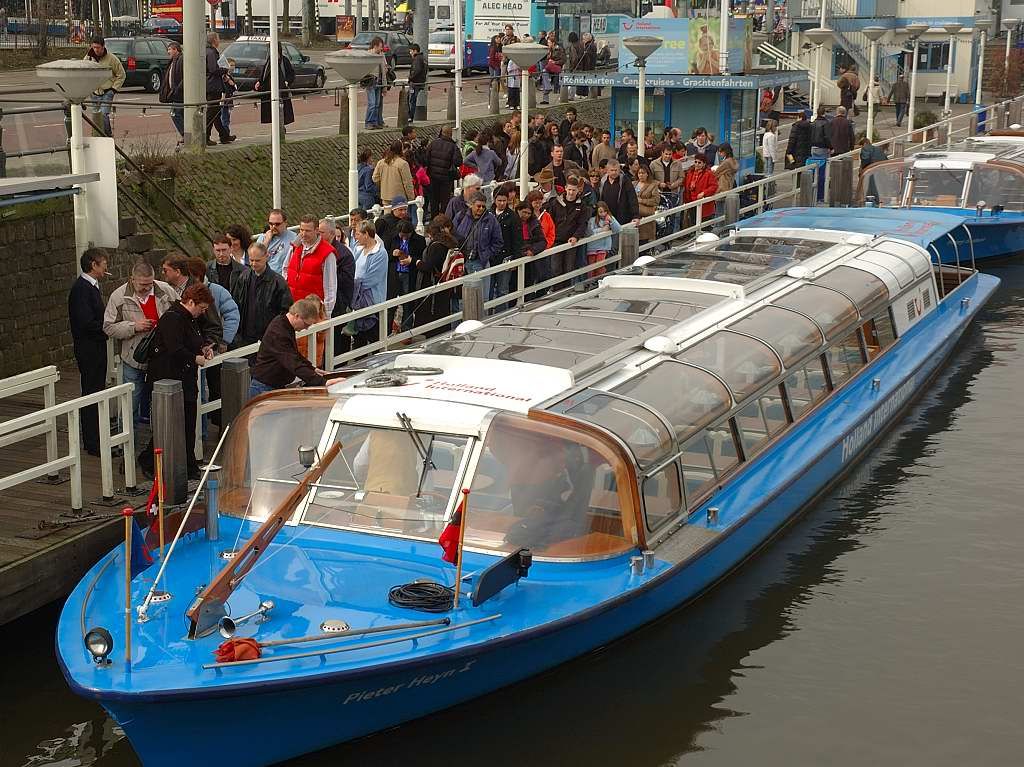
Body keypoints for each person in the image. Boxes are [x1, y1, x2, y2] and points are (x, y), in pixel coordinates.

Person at [139, 283, 215, 480]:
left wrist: (205, 347)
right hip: (169, 377)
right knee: (170, 422)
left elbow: (197, 338)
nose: (202, 312)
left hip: (184, 378)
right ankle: (149, 460)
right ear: (191, 302)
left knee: (188, 422)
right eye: (201, 308)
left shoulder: (190, 318)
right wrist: (195, 358)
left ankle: (189, 466)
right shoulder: (173, 318)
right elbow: (175, 348)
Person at [103, 261, 177, 424]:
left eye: (150, 284)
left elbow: (181, 314)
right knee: (131, 402)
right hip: (133, 356)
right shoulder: (118, 296)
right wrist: (134, 327)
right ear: (132, 279)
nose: (146, 288)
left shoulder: (165, 290)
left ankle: (158, 441)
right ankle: (127, 444)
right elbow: (108, 327)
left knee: (160, 399)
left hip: (162, 356)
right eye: (142, 284)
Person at [68, 248, 109, 456]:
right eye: (104, 264)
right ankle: (92, 442)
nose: (106, 269)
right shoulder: (82, 289)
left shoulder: (90, 287)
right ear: (93, 265)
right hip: (89, 349)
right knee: (91, 391)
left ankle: (97, 438)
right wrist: (106, 327)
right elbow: (85, 322)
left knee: (97, 389)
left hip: (96, 347)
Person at [249, 298, 327, 398]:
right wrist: (323, 382)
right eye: (306, 324)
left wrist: (312, 369)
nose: (306, 328)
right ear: (297, 316)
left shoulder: (283, 324)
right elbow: (293, 362)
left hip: (268, 386)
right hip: (265, 388)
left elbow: (294, 355)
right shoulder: (279, 332)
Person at [230, 242, 293, 349]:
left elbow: (285, 311)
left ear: (266, 256)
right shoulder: (244, 277)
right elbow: (235, 303)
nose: (254, 264)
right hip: (245, 334)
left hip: (267, 334)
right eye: (251, 260)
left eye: (257, 260)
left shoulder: (278, 282)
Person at [454, 191, 505, 300]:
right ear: (471, 205)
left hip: (480, 261)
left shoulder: (491, 220)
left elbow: (498, 242)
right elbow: (453, 235)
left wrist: (487, 254)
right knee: (463, 297)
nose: (481, 209)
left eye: (483, 206)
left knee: (482, 297)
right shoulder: (461, 216)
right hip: (462, 262)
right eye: (478, 206)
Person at [286, 214, 338, 316]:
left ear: (317, 230)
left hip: (313, 310)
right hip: (293, 306)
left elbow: (330, 286)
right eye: (301, 230)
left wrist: (327, 313)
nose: (303, 234)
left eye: (308, 231)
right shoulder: (295, 246)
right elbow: (285, 269)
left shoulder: (327, 253)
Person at [413, 220, 459, 335]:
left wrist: (415, 261)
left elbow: (428, 266)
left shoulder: (436, 246)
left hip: (434, 284)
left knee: (434, 315)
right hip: (445, 284)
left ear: (430, 233)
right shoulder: (449, 243)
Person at [350, 220, 389, 347]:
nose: (355, 237)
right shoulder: (358, 249)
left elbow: (372, 279)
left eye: (357, 234)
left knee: (374, 338)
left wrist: (353, 285)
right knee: (359, 340)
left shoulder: (380, 253)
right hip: (358, 300)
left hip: (372, 300)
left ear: (366, 234)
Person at [544, 176, 590, 281]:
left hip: (571, 242)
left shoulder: (582, 206)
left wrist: (575, 236)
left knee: (569, 268)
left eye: (574, 190)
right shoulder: (556, 203)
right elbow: (550, 222)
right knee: (555, 269)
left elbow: (582, 224)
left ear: (578, 190)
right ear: (565, 188)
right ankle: (556, 292)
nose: (571, 192)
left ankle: (567, 292)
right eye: (569, 189)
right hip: (556, 240)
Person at [387, 220, 426, 331]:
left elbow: (421, 258)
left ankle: (406, 329)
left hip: (409, 274)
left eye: (406, 235)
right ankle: (387, 331)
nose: (404, 238)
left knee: (408, 304)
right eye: (402, 235)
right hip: (395, 274)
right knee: (391, 303)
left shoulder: (419, 240)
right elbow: (386, 256)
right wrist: (393, 254)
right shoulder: (392, 238)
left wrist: (411, 260)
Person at [84, 36, 125, 136]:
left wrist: (113, 89)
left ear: (103, 47)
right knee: (96, 116)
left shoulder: (112, 59)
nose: (96, 50)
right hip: (94, 92)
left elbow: (121, 75)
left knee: (103, 115)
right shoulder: (88, 58)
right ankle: (98, 135)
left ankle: (107, 135)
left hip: (107, 91)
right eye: (94, 47)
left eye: (98, 47)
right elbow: (83, 72)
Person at [254, 42, 295, 135]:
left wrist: (287, 81)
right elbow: (265, 74)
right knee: (271, 110)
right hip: (269, 90)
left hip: (281, 90)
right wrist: (259, 81)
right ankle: (276, 126)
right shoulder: (269, 60)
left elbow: (291, 74)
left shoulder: (284, 61)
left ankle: (280, 127)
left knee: (281, 108)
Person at [491, 186, 523, 302]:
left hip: (506, 257)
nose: (502, 203)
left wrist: (516, 259)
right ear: (494, 200)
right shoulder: (488, 214)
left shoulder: (513, 217)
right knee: (488, 291)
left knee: (503, 290)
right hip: (490, 257)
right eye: (499, 200)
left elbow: (517, 240)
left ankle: (501, 315)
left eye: (504, 200)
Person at [426, 125, 463, 218]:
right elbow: (458, 162)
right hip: (446, 178)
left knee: (433, 201)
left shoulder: (433, 144)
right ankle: (442, 220)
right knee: (445, 201)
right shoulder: (453, 146)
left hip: (433, 177)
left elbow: (426, 159)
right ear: (451, 134)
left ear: (441, 132)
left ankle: (434, 220)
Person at [204, 32, 233, 146]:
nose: (219, 40)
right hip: (213, 86)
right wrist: (225, 70)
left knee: (215, 112)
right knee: (212, 113)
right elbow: (213, 69)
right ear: (214, 40)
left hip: (210, 85)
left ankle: (224, 135)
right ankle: (205, 137)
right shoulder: (211, 53)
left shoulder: (207, 51)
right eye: (218, 38)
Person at [373, 140, 415, 207]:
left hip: (385, 195)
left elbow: (375, 178)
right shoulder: (403, 164)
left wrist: (383, 185)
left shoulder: (381, 162)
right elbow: (407, 183)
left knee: (387, 215)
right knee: (400, 215)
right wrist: (411, 197)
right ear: (401, 149)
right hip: (399, 197)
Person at [258, 208, 299, 276]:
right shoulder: (263, 237)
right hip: (264, 277)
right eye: (271, 224)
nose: (273, 227)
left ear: (285, 223)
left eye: (277, 224)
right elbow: (257, 257)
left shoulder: (294, 238)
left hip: (282, 279)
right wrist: (267, 241)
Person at [598, 159, 639, 226]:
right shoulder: (603, 181)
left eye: (616, 170)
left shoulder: (625, 180)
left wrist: (636, 216)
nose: (614, 172)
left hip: (623, 217)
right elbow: (601, 199)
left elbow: (632, 198)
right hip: (607, 218)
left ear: (619, 170)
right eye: (612, 170)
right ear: (607, 170)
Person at [363, 37, 392, 129]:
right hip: (371, 82)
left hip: (379, 82)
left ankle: (375, 122)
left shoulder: (382, 55)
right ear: (375, 46)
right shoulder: (368, 55)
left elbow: (384, 71)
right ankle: (368, 122)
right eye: (380, 47)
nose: (381, 49)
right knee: (372, 103)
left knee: (377, 104)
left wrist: (385, 87)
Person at [585, 201, 620, 277]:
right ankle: (590, 282)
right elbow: (590, 232)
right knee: (591, 267)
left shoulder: (610, 218)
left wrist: (611, 221)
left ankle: (599, 279)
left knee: (600, 265)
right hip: (592, 247)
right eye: (601, 212)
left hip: (603, 247)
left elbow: (618, 229)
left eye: (605, 211)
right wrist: (602, 230)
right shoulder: (592, 220)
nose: (603, 214)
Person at [160, 41, 185, 147]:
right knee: (181, 114)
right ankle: (186, 135)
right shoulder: (172, 61)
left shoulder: (181, 60)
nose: (168, 52)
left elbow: (184, 76)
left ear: (176, 50)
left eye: (170, 49)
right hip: (175, 93)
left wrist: (177, 89)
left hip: (179, 94)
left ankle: (185, 135)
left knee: (174, 113)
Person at [682, 154, 719, 226]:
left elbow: (714, 186)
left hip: (703, 204)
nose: (697, 164)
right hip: (691, 202)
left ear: (704, 164)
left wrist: (703, 193)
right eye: (695, 162)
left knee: (704, 225)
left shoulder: (709, 174)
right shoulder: (690, 173)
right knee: (693, 223)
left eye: (699, 163)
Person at [634, 164, 660, 246]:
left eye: (643, 173)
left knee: (644, 240)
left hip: (646, 214)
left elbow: (656, 201)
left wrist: (642, 200)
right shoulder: (633, 184)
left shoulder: (653, 185)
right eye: (639, 173)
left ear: (647, 174)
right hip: (634, 214)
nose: (641, 175)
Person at [408, 43, 427, 121]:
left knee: (411, 100)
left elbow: (416, 70)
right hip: (420, 82)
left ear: (415, 51)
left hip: (415, 83)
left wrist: (410, 78)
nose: (410, 53)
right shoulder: (422, 58)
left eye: (411, 51)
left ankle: (410, 117)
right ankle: (410, 116)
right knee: (412, 99)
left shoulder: (417, 59)